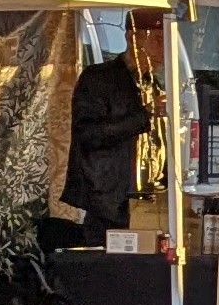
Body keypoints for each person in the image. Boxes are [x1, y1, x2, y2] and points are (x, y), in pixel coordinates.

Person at [60, 46, 152, 241]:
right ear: (134, 37)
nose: (163, 50)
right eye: (159, 40)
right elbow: (88, 133)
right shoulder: (99, 77)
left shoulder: (150, 82)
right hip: (105, 195)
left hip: (142, 197)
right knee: (106, 262)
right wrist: (143, 118)